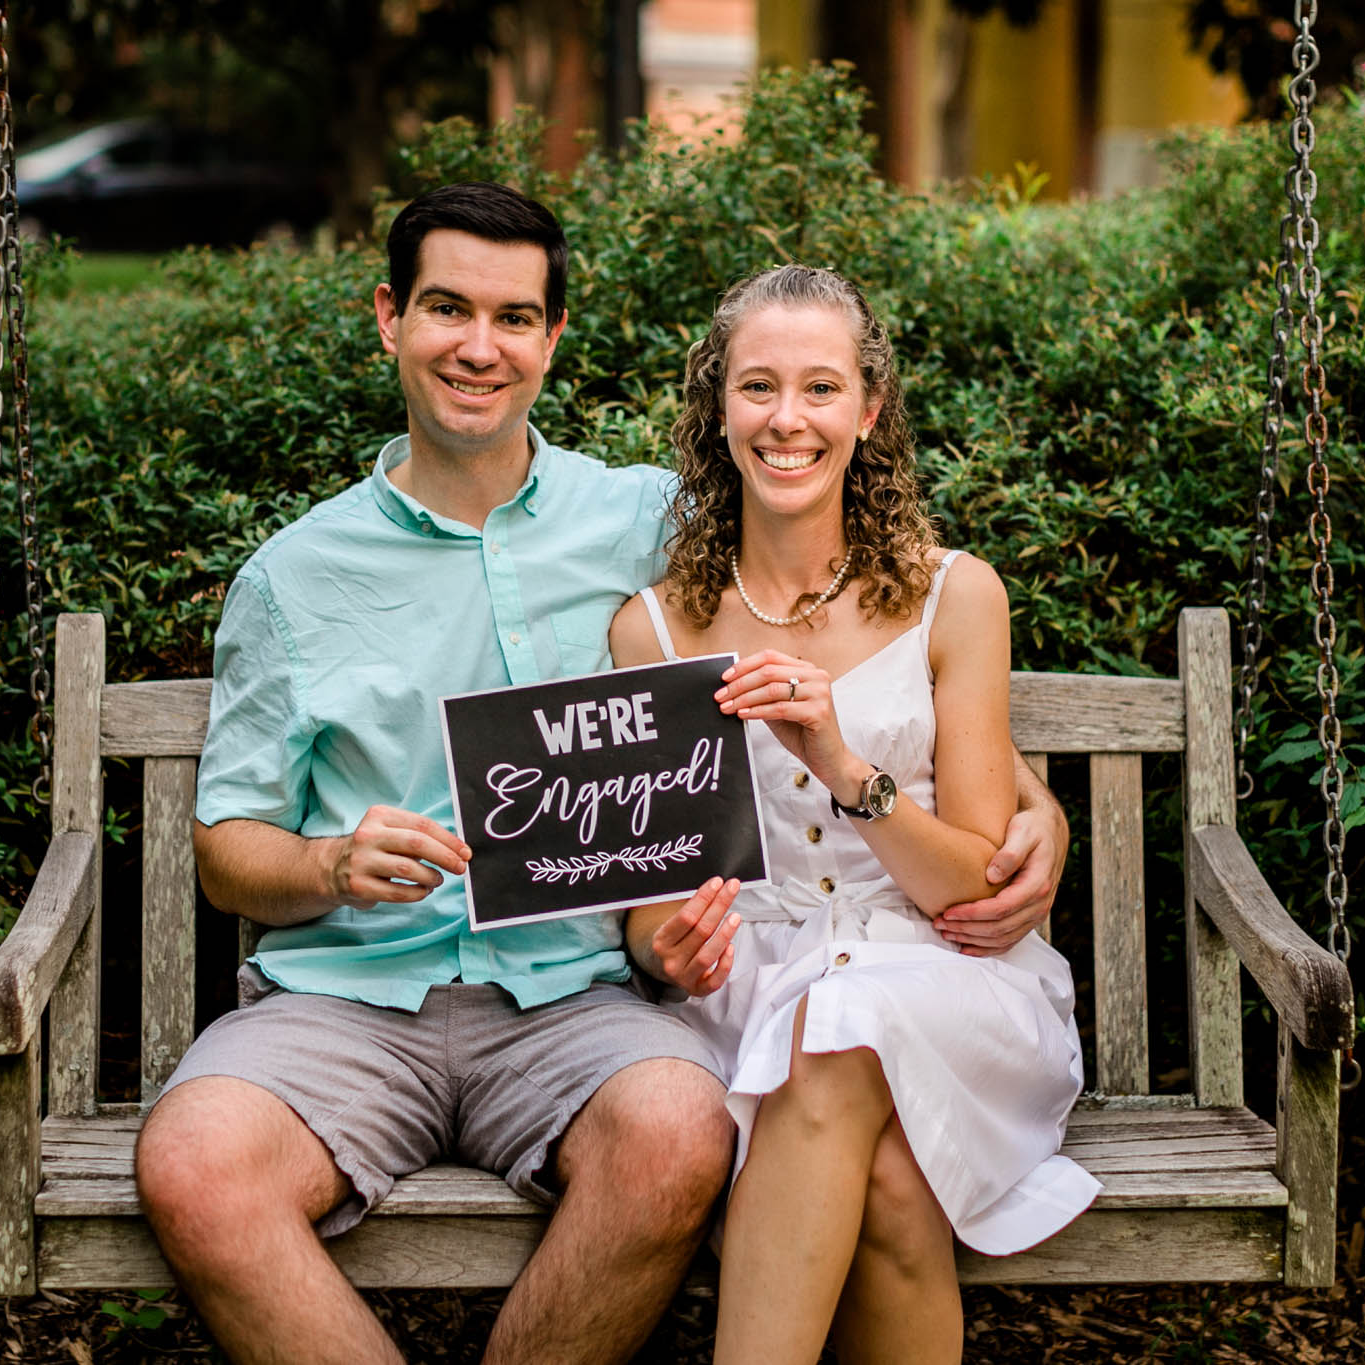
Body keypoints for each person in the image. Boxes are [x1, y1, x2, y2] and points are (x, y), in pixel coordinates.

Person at [134, 184, 1067, 1365]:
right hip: (348, 999)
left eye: (514, 316)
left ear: (551, 337)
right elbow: (227, 851)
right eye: (445, 309)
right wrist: (325, 862)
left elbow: (855, 620)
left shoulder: (650, 523)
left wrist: (1038, 808)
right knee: (192, 1167)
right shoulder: (291, 576)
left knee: (678, 1134)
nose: (480, 347)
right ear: (388, 318)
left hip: (573, 998)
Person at [615, 265, 1099, 1365]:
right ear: (718, 409)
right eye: (757, 388)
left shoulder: (952, 597)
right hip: (753, 986)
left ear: (868, 410)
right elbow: (650, 914)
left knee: (837, 1038)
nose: (787, 420)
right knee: (885, 1176)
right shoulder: (651, 630)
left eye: (821, 389)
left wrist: (844, 764)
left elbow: (976, 892)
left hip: (943, 974)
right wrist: (670, 950)